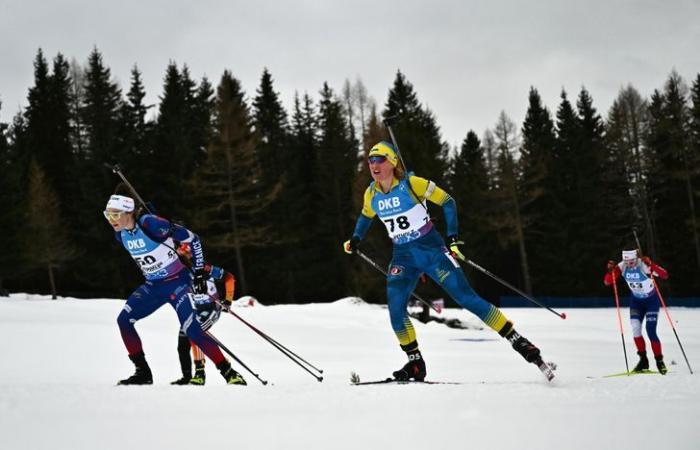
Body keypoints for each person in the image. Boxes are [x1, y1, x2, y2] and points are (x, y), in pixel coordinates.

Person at [343, 141, 546, 381]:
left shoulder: (411, 184)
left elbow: (448, 201)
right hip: (403, 257)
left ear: (393, 162)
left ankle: (519, 341)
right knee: (396, 310)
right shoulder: (371, 193)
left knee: (466, 299)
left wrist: (453, 238)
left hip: (431, 251)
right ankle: (415, 363)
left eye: (380, 160)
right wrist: (356, 238)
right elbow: (366, 216)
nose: (373, 165)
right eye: (370, 160)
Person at [104, 186, 246, 385]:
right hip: (153, 286)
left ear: (129, 211)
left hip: (177, 283)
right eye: (108, 215)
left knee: (192, 330)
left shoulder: (150, 223)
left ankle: (229, 372)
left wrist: (197, 272)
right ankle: (143, 372)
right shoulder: (121, 234)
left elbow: (193, 239)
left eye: (115, 215)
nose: (111, 220)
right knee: (124, 320)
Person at [170, 242, 236, 386]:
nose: (181, 259)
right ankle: (187, 377)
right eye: (179, 256)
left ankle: (200, 373)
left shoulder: (205, 269)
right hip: (196, 310)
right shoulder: (178, 273)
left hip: (212, 309)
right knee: (182, 344)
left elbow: (229, 278)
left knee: (195, 332)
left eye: (184, 255)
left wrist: (228, 301)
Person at [604, 249, 669, 374]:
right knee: (635, 329)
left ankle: (659, 361)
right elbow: (608, 281)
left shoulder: (644, 265)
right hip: (636, 302)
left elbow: (664, 275)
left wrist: (652, 265)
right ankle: (643, 360)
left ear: (636, 259)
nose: (629, 264)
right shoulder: (622, 266)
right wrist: (610, 271)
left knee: (650, 330)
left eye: (632, 262)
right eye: (627, 262)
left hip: (651, 302)